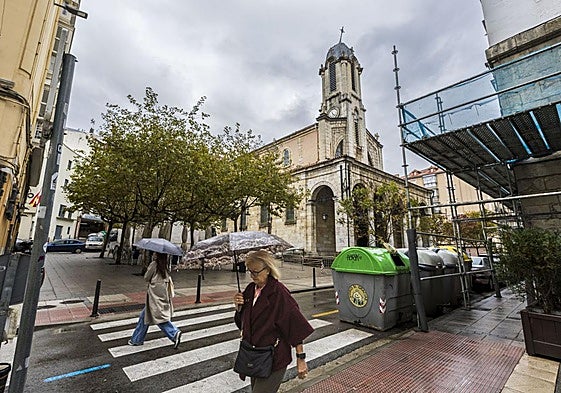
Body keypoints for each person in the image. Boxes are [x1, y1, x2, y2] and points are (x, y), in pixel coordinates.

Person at [233, 250, 314, 393]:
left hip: (273, 358)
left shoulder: (279, 292)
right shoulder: (250, 290)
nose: (252, 276)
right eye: (250, 271)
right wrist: (239, 308)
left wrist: (300, 358)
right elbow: (242, 324)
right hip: (253, 355)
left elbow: (294, 324)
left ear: (268, 269)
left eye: (256, 272)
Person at [129, 252, 182, 348]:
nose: (153, 254)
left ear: (157, 255)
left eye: (155, 253)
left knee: (158, 317)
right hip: (162, 294)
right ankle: (137, 339)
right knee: (144, 316)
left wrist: (147, 268)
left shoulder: (154, 264)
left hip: (154, 295)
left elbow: (146, 277)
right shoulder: (164, 265)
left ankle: (174, 333)